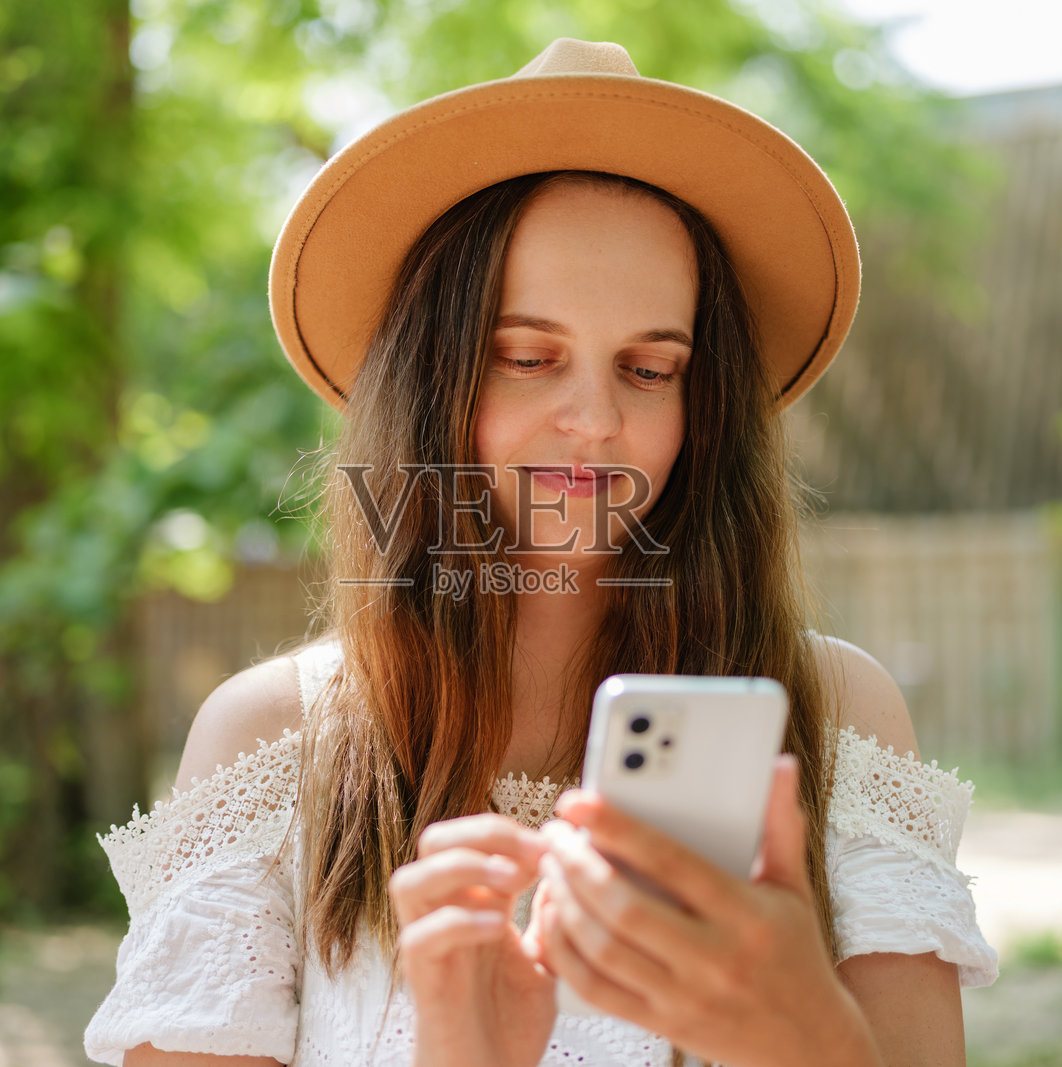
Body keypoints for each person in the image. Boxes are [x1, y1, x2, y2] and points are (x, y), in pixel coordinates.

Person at [84, 38, 998, 1067]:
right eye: (528, 357)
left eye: (652, 368)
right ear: (430, 381)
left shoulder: (834, 712)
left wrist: (803, 1032)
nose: (596, 419)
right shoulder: (270, 742)